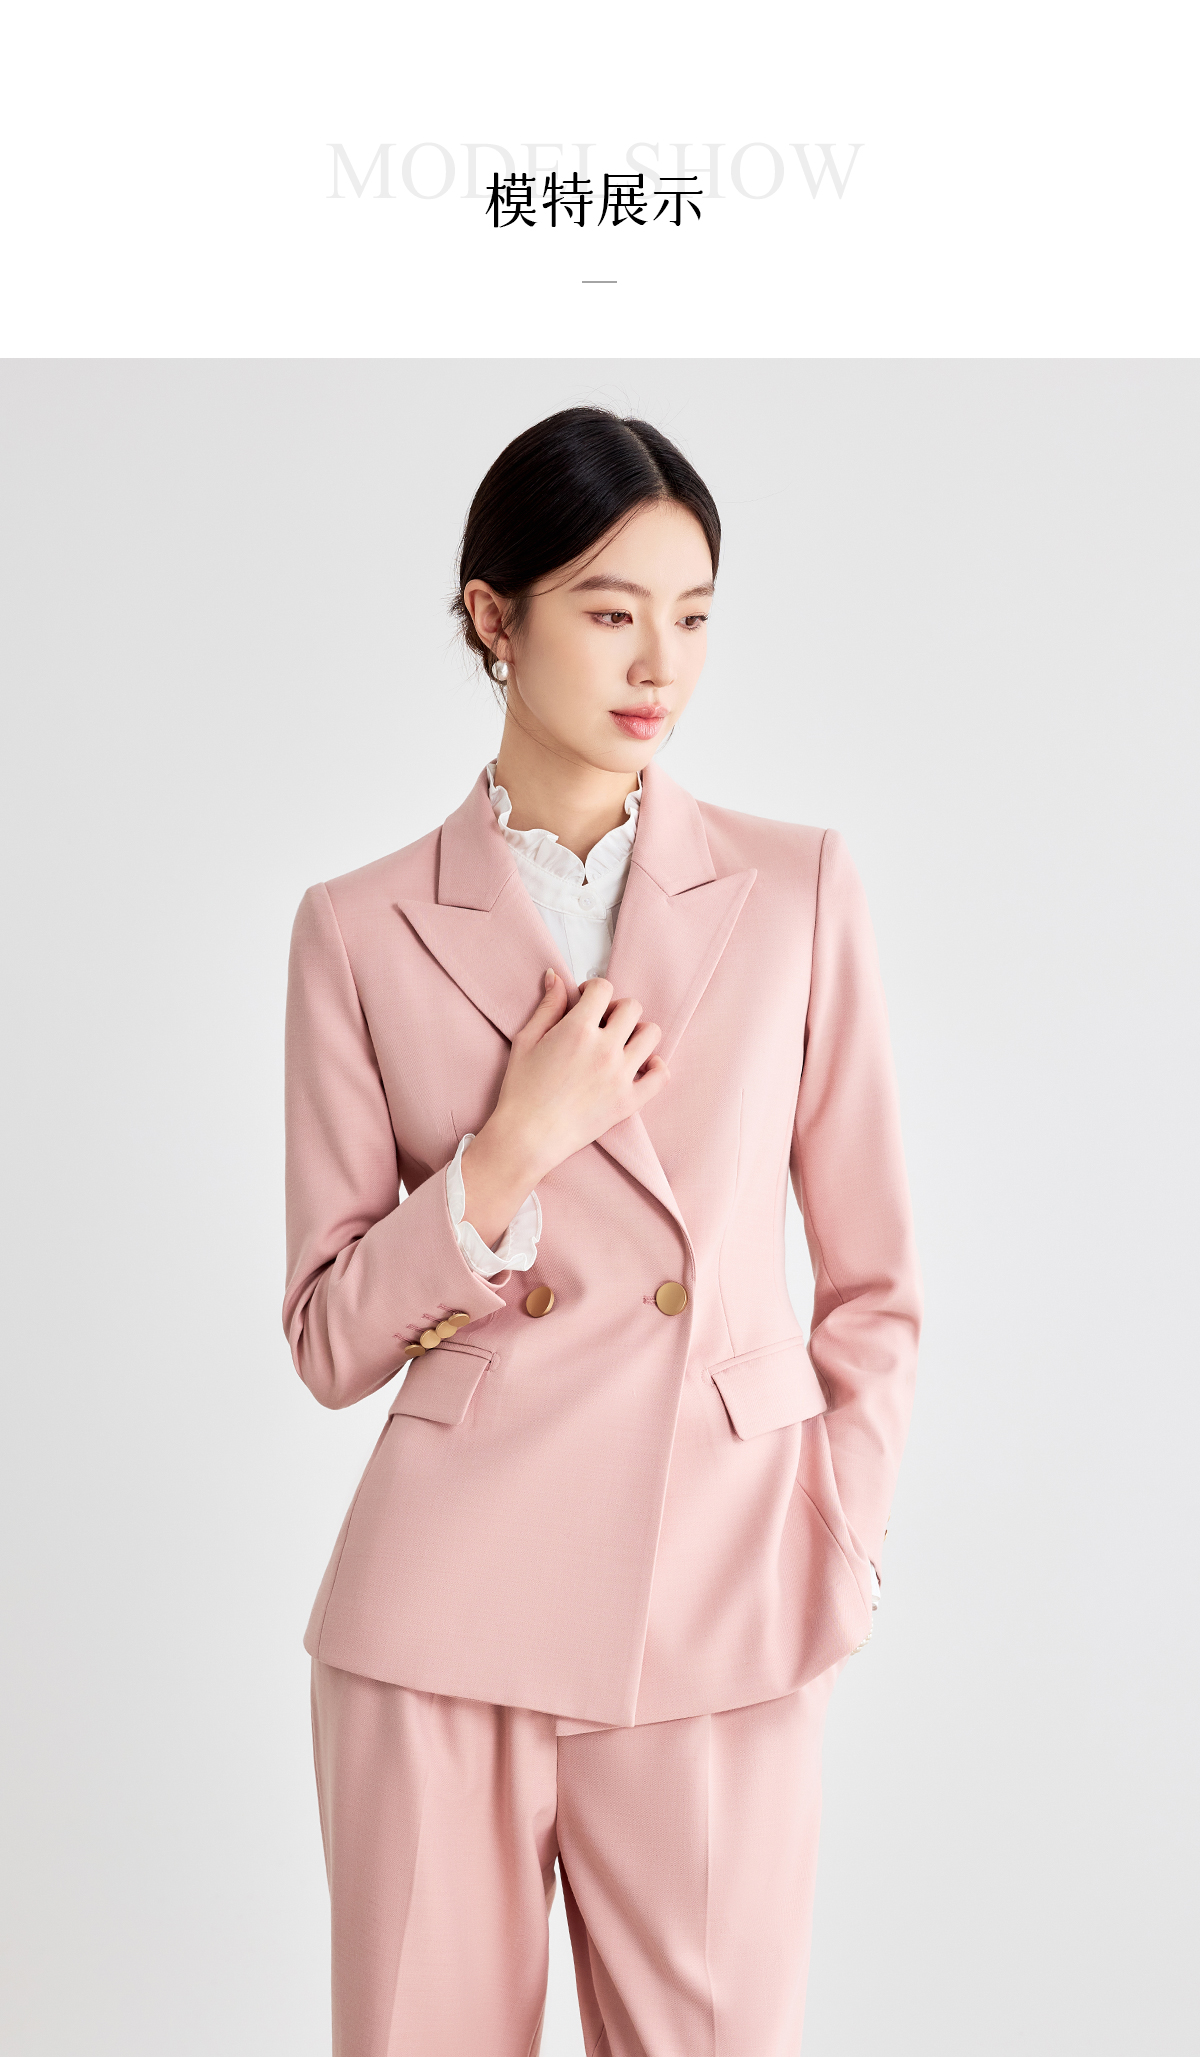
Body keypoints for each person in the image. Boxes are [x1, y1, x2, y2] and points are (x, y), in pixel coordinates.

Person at [282, 405, 922, 2056]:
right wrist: (505, 1154)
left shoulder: (795, 888)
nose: (660, 663)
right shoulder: (358, 926)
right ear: (494, 616)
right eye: (610, 608)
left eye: (693, 615)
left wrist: (836, 1531)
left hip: (723, 1592)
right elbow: (329, 1338)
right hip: (439, 1621)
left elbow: (873, 1281)